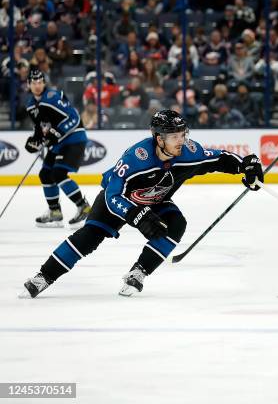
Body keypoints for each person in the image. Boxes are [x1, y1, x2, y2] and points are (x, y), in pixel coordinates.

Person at [20, 110, 264, 299]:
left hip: (155, 200)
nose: (181, 141)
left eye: (182, 135)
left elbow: (219, 158)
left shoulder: (189, 152)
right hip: (116, 201)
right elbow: (113, 195)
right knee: (89, 237)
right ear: (159, 138)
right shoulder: (136, 159)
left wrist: (246, 165)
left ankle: (138, 273)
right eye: (174, 137)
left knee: (176, 224)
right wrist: (137, 215)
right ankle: (44, 276)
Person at [24, 68, 91, 227]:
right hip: (59, 143)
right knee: (45, 174)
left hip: (74, 138)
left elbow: (74, 117)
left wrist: (57, 133)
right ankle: (55, 212)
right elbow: (42, 128)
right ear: (28, 85)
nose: (38, 86)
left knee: (58, 173)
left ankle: (84, 207)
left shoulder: (52, 97)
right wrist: (35, 140)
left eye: (40, 82)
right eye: (34, 83)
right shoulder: (30, 105)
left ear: (44, 83)